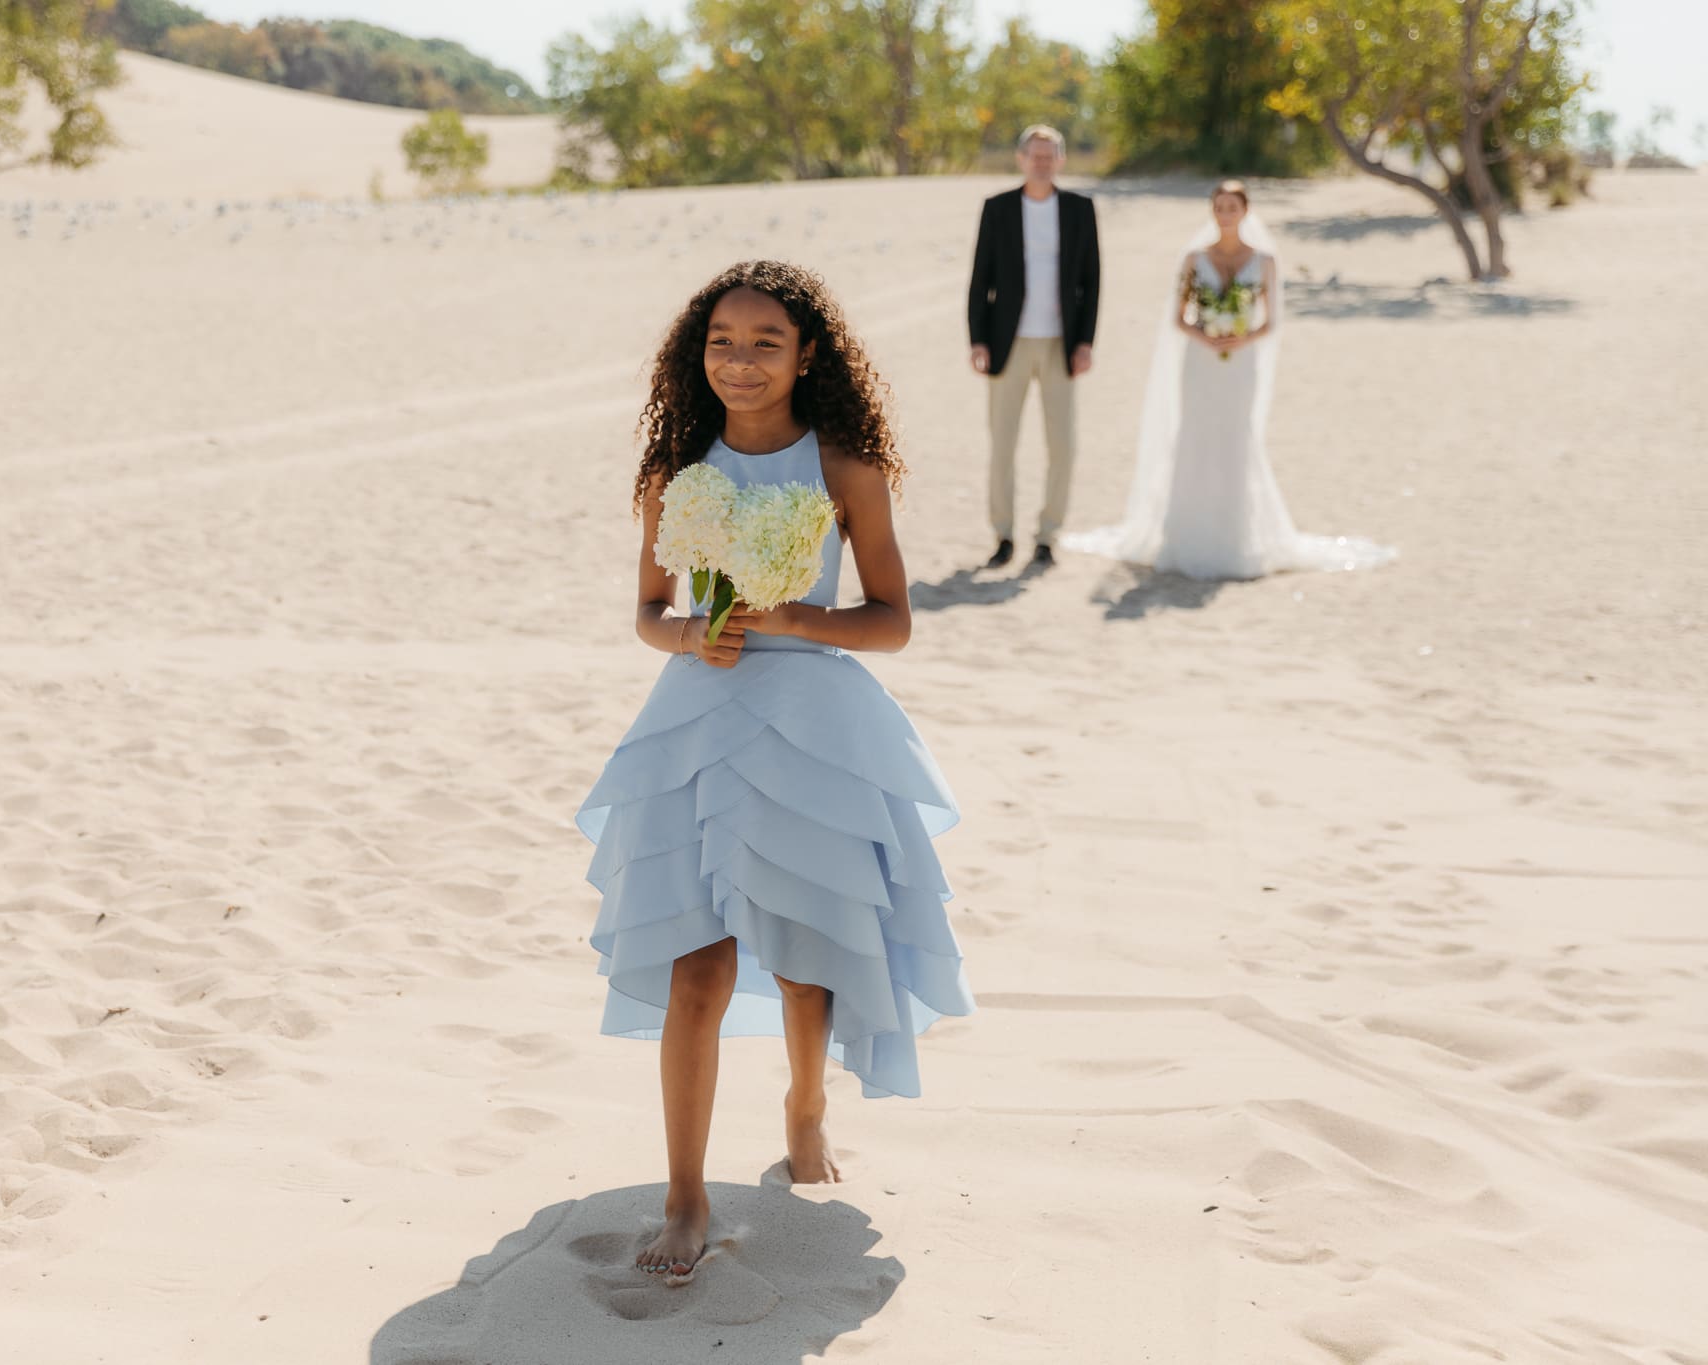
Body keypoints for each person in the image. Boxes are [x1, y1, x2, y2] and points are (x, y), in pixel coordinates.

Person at [578, 260, 973, 1283]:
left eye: (763, 343)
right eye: (721, 341)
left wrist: (794, 617)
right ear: (693, 355)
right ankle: (684, 1193)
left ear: (806, 356)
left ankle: (804, 1101)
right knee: (695, 968)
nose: (740, 361)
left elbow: (891, 622)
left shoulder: (843, 469)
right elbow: (647, 614)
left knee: (804, 960)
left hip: (812, 724)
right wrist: (685, 639)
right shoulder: (679, 471)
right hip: (699, 724)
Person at [1063, 181, 1397, 580]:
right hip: (1200, 361)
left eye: (1232, 207)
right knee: (1195, 436)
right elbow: (1177, 317)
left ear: (1245, 211)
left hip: (1241, 363)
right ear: (1212, 211)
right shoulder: (1193, 259)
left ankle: (1236, 534)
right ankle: (1186, 531)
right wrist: (1204, 335)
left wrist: (1243, 336)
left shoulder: (1265, 260)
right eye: (1219, 207)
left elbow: (1272, 321)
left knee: (1236, 436)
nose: (1225, 214)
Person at [967, 124, 1102, 569]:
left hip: (1061, 345)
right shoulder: (998, 208)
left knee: (1063, 445)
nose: (1042, 162)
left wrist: (1085, 342)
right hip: (1009, 344)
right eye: (1035, 155)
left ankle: (1048, 535)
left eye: (1050, 155)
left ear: (1061, 160)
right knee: (1003, 444)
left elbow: (1091, 280)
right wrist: (978, 340)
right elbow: (979, 279)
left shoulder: (1080, 209)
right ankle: (1003, 536)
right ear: (1021, 159)